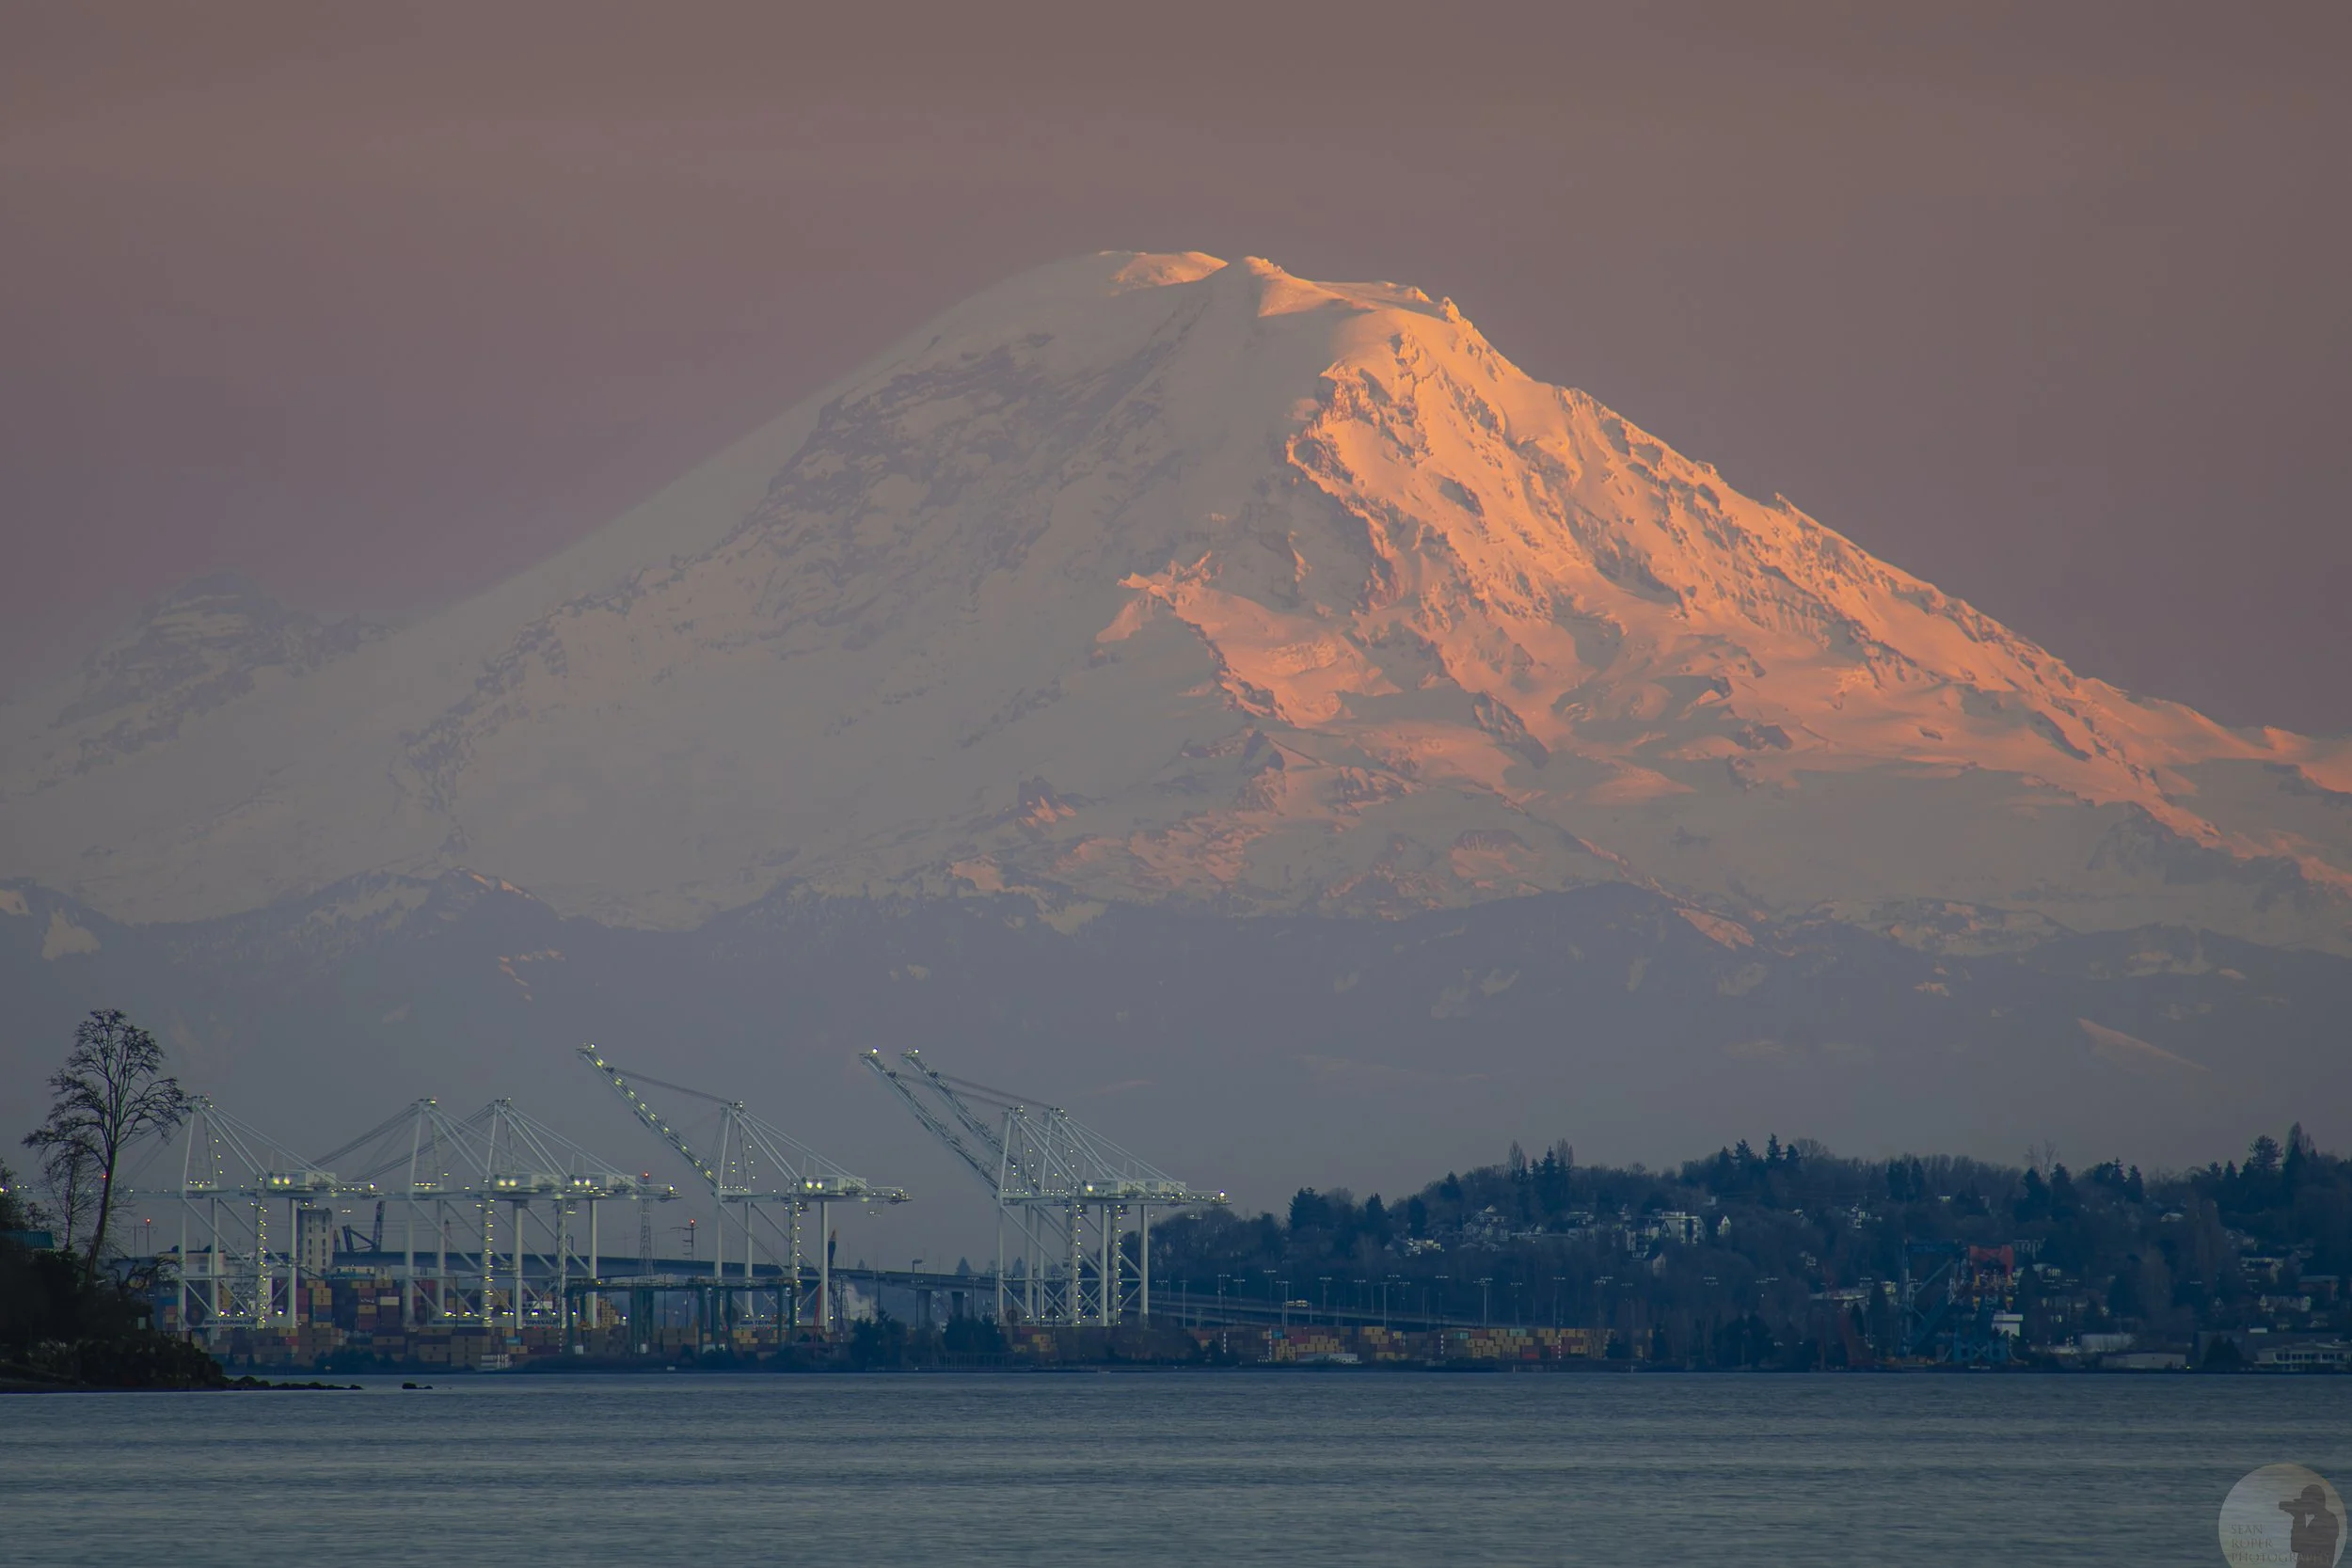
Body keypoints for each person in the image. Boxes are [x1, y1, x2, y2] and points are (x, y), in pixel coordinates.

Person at [2280, 1482, 2341, 1568]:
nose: (2304, 1504)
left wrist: (2299, 1517)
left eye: (2305, 1500)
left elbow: (2297, 1546)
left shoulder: (2326, 1520)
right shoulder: (2324, 1519)